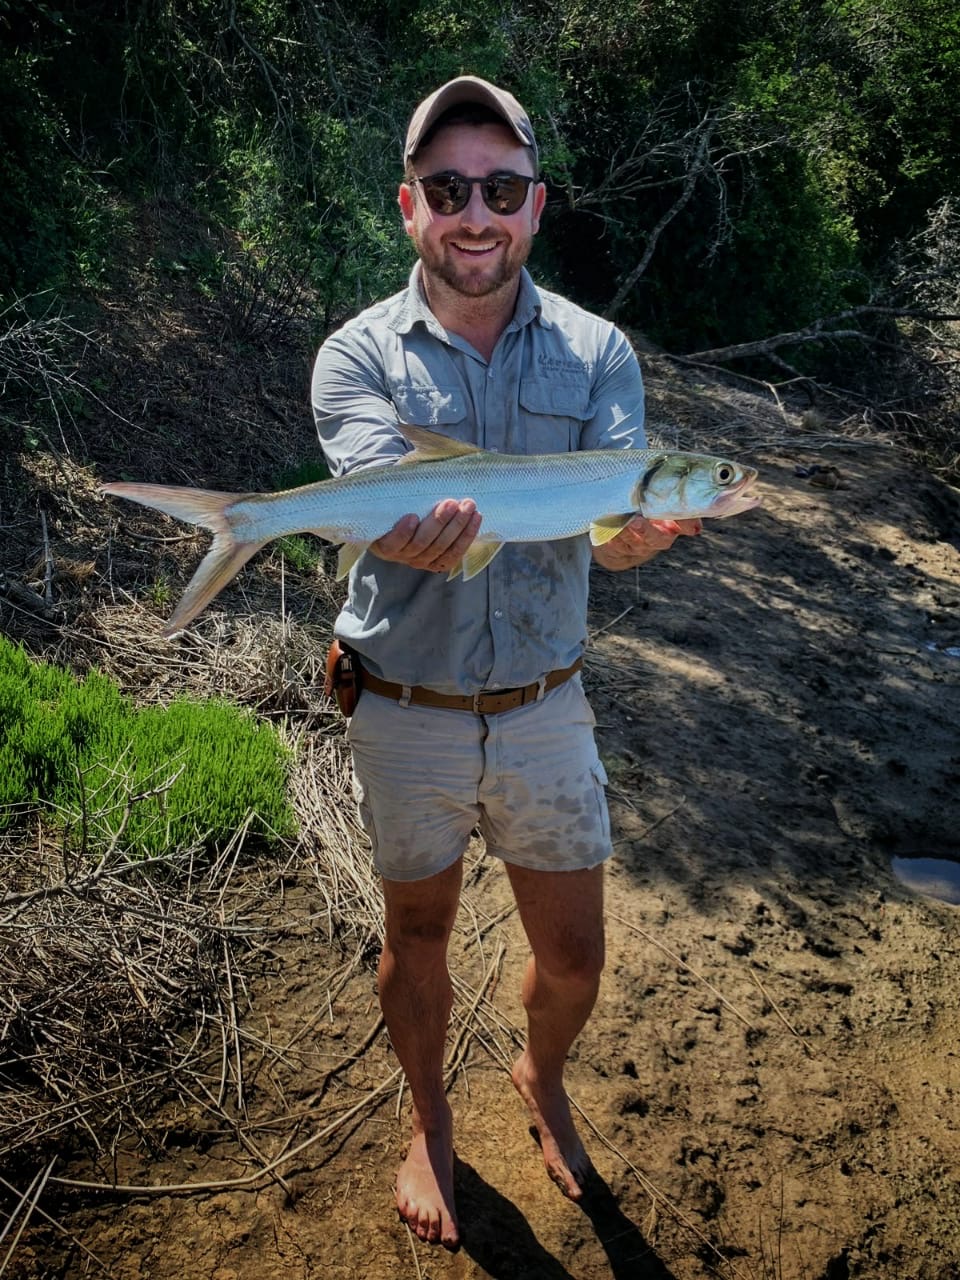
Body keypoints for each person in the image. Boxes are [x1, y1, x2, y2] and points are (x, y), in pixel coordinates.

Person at [311, 75, 702, 1251]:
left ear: (537, 205)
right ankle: (429, 1122)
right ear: (408, 205)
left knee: (575, 955)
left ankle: (541, 1073)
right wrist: (410, 529)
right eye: (448, 189)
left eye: (500, 188)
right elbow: (392, 499)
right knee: (414, 936)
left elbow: (613, 541)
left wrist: (634, 538)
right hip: (405, 703)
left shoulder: (600, 350)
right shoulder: (355, 352)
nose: (474, 212)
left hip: (546, 701)